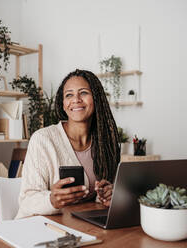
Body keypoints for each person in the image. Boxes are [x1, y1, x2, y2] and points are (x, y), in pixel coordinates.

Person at [15, 69, 120, 219]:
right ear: (63, 104)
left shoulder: (104, 143)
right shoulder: (43, 139)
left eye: (83, 93)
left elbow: (96, 196)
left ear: (96, 99)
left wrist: (108, 194)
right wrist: (51, 199)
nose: (76, 99)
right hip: (37, 226)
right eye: (69, 95)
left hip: (81, 224)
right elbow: (27, 200)